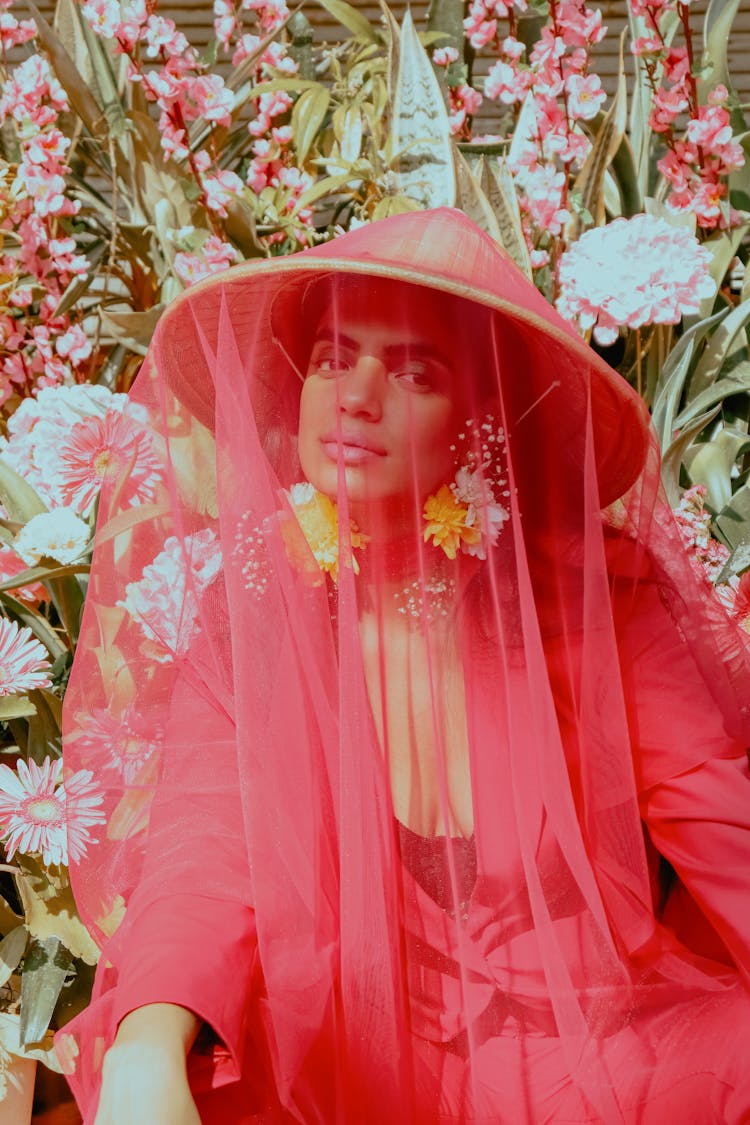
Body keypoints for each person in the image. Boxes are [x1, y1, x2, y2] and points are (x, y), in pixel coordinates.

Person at [58, 208, 750, 1123]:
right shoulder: (259, 604)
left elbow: (717, 816)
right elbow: (205, 851)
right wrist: (149, 1041)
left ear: (480, 421)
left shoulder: (597, 601)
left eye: (415, 372)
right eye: (334, 359)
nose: (356, 394)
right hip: (344, 1057)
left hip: (586, 1052)